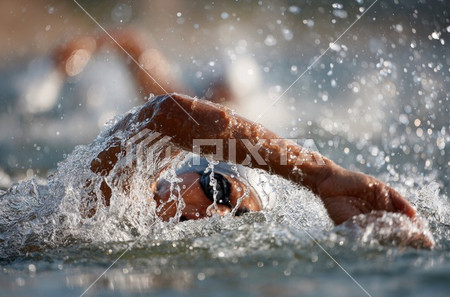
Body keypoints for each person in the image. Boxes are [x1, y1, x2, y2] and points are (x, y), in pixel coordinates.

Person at [54, 31, 433, 248]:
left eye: (239, 216)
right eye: (218, 189)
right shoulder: (114, 196)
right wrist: (321, 176)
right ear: (184, 168)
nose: (219, 213)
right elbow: (170, 112)